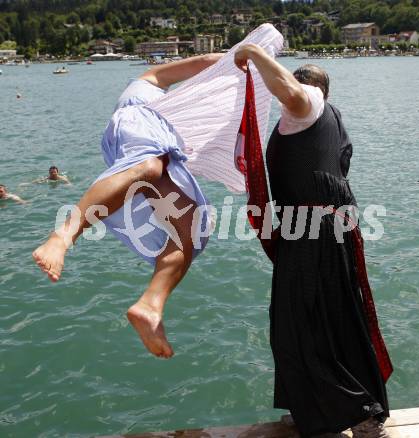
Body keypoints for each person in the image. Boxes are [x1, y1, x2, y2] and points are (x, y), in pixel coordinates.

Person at [32, 23, 283, 360]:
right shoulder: (146, 84)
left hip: (166, 151)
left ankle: (150, 306)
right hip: (138, 128)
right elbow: (207, 61)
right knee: (149, 166)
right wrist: (242, 58)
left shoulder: (175, 112)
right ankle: (63, 236)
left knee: (192, 229)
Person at [234, 46, 392, 438]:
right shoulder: (318, 118)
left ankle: (360, 412)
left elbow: (291, 92)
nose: (295, 89)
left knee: (314, 319)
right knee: (304, 319)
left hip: (315, 232)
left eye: (302, 82)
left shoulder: (309, 103)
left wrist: (254, 51)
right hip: (314, 229)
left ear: (317, 89)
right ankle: (316, 407)